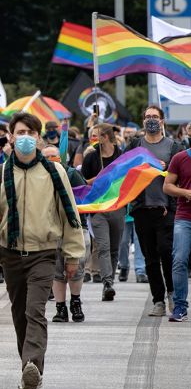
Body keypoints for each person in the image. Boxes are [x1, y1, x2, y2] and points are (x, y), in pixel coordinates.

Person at [0, 112, 85, 389]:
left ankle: (31, 366)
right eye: (20, 132)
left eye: (30, 133)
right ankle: (29, 365)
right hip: (10, 253)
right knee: (20, 314)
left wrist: (72, 255)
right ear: (10, 136)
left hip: (43, 253)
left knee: (35, 311)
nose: (25, 138)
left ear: (38, 137)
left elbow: (69, 214)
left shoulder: (54, 172)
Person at [125, 105, 182, 317]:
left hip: (165, 209)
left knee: (167, 253)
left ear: (162, 121)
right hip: (142, 209)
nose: (151, 120)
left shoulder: (173, 146)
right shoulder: (135, 145)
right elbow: (123, 171)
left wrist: (163, 166)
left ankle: (172, 294)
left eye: (155, 117)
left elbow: (179, 175)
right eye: (147, 116)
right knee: (150, 257)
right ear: (143, 122)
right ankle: (158, 299)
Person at [42, 145, 88, 323]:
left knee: (77, 267)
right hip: (52, 229)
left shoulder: (71, 174)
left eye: (54, 156)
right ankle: (60, 308)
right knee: (57, 270)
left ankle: (75, 302)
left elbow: (83, 196)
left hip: (75, 227)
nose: (51, 159)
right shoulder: (38, 176)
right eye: (47, 157)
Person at [81, 123, 124, 301]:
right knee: (104, 247)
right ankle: (107, 283)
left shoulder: (121, 155)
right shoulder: (91, 157)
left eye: (96, 136)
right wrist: (99, 179)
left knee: (114, 249)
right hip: (98, 208)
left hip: (117, 207)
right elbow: (83, 183)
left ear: (105, 137)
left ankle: (110, 281)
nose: (93, 139)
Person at [164, 144, 191, 321]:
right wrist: (186, 192)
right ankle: (180, 306)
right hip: (185, 217)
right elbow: (167, 186)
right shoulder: (180, 157)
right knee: (179, 260)